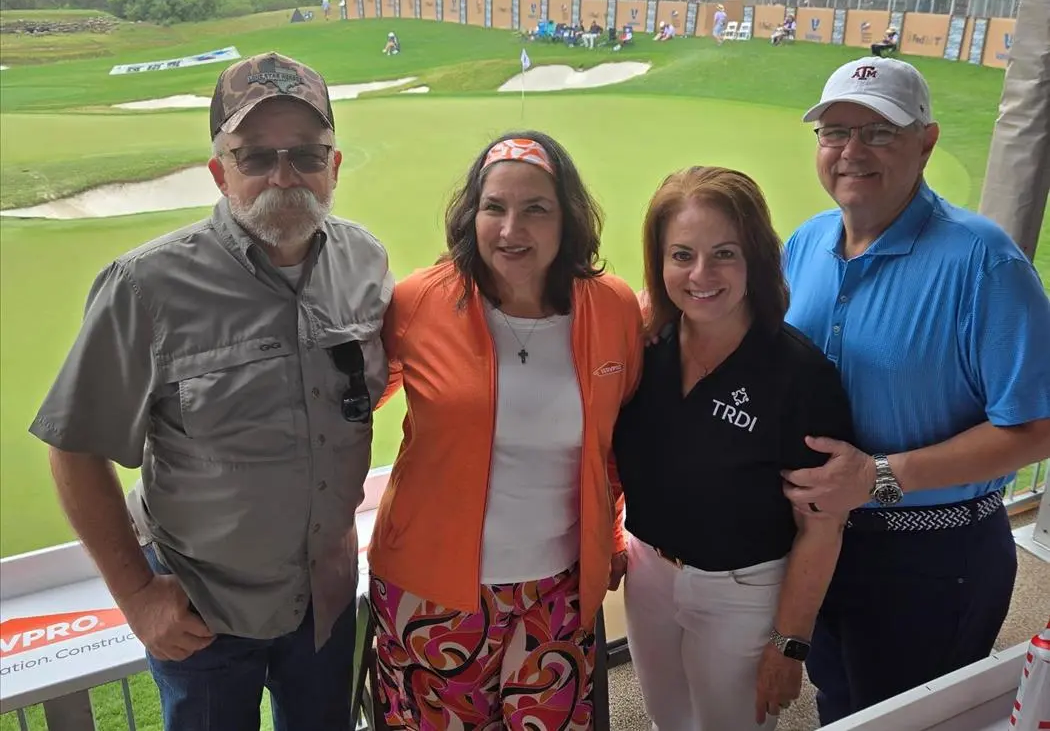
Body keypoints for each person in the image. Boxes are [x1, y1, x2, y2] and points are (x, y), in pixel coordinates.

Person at [29, 52, 393, 731]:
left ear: (334, 166)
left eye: (306, 154)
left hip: (328, 599)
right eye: (255, 157)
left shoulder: (365, 262)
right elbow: (74, 449)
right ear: (220, 172)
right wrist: (138, 597)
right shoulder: (144, 288)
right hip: (202, 614)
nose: (284, 175)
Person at [781, 57, 1050, 724]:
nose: (851, 151)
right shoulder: (805, 244)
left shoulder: (984, 262)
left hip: (935, 558)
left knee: (906, 718)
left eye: (879, 134)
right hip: (821, 545)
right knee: (840, 705)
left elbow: (1037, 427)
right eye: (835, 131)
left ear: (926, 143)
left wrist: (875, 477)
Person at [368, 132, 644, 729]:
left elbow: (613, 449)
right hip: (429, 591)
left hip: (560, 593)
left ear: (567, 219)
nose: (510, 229)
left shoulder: (613, 308)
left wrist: (613, 539)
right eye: (494, 207)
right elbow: (350, 403)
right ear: (472, 215)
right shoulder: (419, 302)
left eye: (535, 209)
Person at [614, 167, 854, 731]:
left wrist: (790, 643)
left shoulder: (799, 374)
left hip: (742, 592)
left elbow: (823, 526)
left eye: (724, 253)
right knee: (667, 719)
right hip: (648, 570)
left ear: (756, 259)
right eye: (681, 255)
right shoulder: (643, 345)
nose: (701, 274)